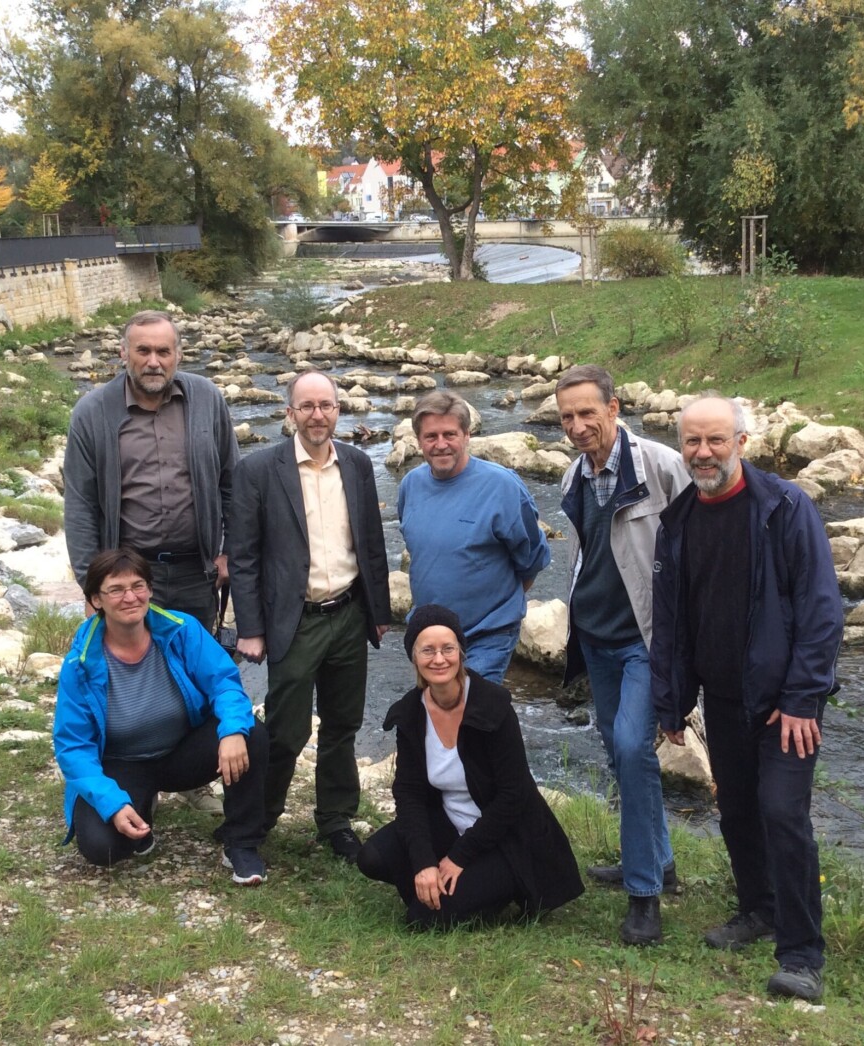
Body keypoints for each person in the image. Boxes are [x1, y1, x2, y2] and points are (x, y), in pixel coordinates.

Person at [651, 394, 843, 1002]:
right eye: (691, 442)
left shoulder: (784, 508)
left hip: (784, 702)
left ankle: (802, 953)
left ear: (741, 442)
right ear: (680, 446)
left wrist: (805, 699)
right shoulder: (679, 518)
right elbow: (673, 619)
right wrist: (673, 700)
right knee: (735, 809)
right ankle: (757, 909)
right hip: (722, 697)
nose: (703, 453)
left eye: (715, 441)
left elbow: (821, 611)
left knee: (783, 814)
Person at [62, 309, 238, 815]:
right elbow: (79, 504)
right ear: (124, 354)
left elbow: (232, 482)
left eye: (164, 351)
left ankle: (194, 775)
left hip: (196, 568)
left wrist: (231, 552)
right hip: (129, 579)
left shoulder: (206, 399)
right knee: (126, 676)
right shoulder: (92, 413)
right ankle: (128, 772)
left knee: (197, 674)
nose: (154, 361)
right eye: (143, 350)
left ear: (178, 354)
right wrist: (93, 584)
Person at [228, 371, 390, 863]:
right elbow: (244, 556)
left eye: (326, 405)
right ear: (290, 412)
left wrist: (378, 611)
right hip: (294, 620)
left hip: (348, 613)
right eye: (307, 406)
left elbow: (372, 542)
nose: (317, 415)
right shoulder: (259, 470)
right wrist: (251, 628)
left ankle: (336, 820)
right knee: (285, 728)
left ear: (339, 410)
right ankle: (259, 818)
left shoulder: (358, 464)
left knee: (343, 723)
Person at [554, 364, 690, 946]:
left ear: (614, 408)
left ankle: (643, 895)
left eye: (588, 412)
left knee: (635, 746)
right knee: (619, 751)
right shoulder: (571, 478)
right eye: (567, 417)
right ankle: (658, 860)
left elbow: (696, 547)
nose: (579, 426)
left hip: (644, 639)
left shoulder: (662, 468)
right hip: (596, 637)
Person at [53, 548, 270, 884]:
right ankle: (141, 818)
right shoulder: (80, 664)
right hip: (123, 763)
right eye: (116, 589)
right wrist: (112, 804)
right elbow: (73, 747)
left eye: (138, 586)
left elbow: (225, 684)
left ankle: (241, 843)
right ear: (96, 599)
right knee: (102, 849)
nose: (130, 597)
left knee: (249, 733)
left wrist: (230, 731)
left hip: (182, 753)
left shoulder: (182, 631)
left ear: (150, 590)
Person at [357, 604, 583, 926]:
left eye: (448, 648)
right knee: (372, 858)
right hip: (449, 824)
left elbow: (513, 795)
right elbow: (410, 794)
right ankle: (452, 891)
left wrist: (459, 857)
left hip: (505, 838)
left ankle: (493, 890)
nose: (439, 659)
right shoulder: (410, 714)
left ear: (461, 653)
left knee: (423, 919)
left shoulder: (493, 706)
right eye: (428, 650)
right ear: (414, 658)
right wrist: (423, 863)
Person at [397, 390, 550, 683]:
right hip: (431, 637)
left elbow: (532, 560)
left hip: (487, 634)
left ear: (467, 435)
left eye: (449, 434)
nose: (441, 444)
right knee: (435, 718)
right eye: (431, 436)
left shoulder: (502, 487)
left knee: (470, 718)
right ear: (418, 440)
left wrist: (500, 607)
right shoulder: (410, 486)